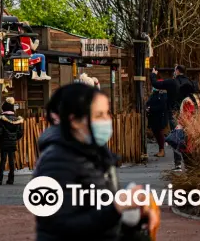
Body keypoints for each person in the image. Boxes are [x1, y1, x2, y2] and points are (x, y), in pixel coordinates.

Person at [33, 84, 159, 240]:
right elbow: (57, 225)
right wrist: (117, 208)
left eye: (107, 113)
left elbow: (98, 211)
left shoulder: (96, 154)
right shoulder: (54, 162)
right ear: (75, 121)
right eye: (99, 115)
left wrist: (136, 216)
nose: (107, 120)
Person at [150, 65, 197, 171]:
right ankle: (190, 164)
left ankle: (178, 164)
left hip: (174, 113)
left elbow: (156, 84)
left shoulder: (172, 82)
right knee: (188, 139)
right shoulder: (190, 82)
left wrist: (153, 74)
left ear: (177, 71)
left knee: (176, 138)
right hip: (189, 114)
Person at [0, 97, 24, 185]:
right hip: (12, 142)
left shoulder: (1, 120)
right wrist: (14, 138)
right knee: (11, 160)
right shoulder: (17, 120)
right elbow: (20, 133)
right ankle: (11, 179)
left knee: (3, 160)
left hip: (3, 142)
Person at [146, 88, 170, 158]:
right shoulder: (154, 94)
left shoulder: (163, 95)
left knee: (159, 133)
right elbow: (148, 102)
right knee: (156, 133)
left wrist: (151, 108)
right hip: (153, 116)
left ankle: (162, 150)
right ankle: (160, 150)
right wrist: (147, 107)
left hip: (160, 117)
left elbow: (162, 106)